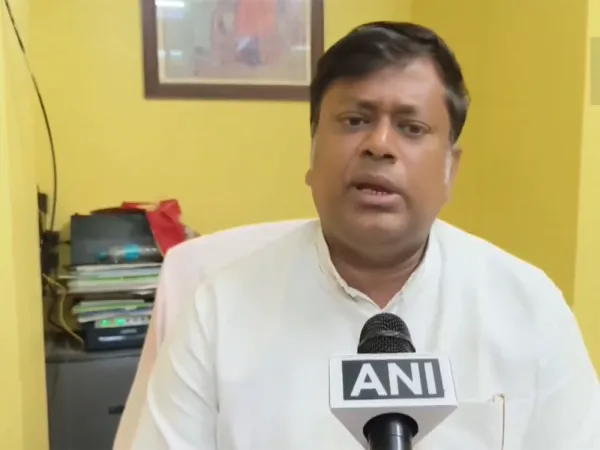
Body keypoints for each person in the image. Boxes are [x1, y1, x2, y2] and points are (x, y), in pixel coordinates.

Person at [129, 22, 600, 449]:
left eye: (411, 127)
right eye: (356, 121)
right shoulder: (218, 311)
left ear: (450, 170)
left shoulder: (529, 308)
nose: (379, 144)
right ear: (313, 150)